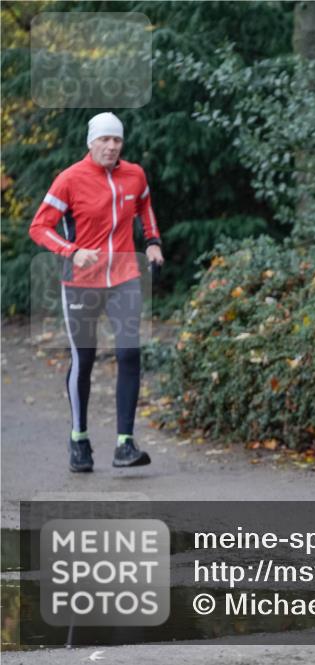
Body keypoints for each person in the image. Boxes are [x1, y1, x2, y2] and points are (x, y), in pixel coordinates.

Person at [29, 112, 164, 472]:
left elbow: (145, 207)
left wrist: (152, 242)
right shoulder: (70, 179)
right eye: (104, 139)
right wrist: (71, 251)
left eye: (116, 140)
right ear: (91, 143)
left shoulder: (134, 174)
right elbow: (39, 227)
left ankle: (125, 444)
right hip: (80, 282)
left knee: (129, 354)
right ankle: (79, 439)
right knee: (84, 360)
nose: (111, 146)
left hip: (124, 277)